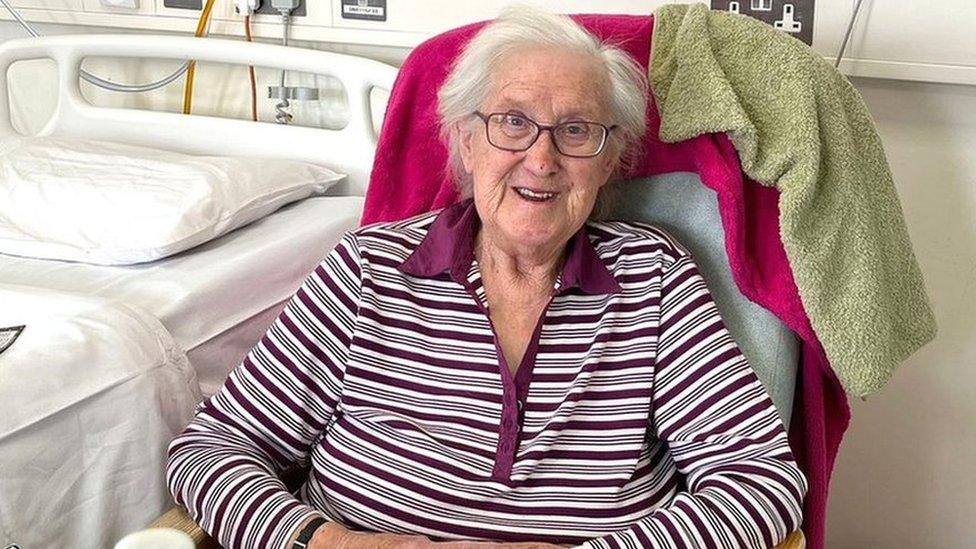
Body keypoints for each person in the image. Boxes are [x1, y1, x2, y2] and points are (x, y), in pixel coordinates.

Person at [167, 7, 806, 549]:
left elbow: (762, 483)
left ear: (609, 161)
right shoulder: (370, 269)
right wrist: (330, 542)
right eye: (513, 122)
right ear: (467, 143)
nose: (542, 158)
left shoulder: (654, 280)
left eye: (576, 131)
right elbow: (209, 452)